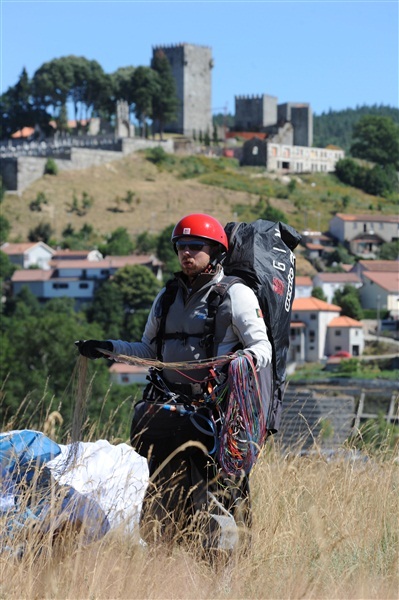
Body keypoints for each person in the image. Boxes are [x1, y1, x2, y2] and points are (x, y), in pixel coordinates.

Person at [77, 213, 272, 553]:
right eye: (181, 246)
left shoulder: (236, 295)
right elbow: (148, 350)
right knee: (159, 500)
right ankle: (167, 571)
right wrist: (107, 349)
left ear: (216, 252)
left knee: (215, 504)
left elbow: (262, 347)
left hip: (215, 418)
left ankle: (221, 580)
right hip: (167, 416)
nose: (187, 253)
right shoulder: (167, 297)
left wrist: (243, 361)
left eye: (196, 246)